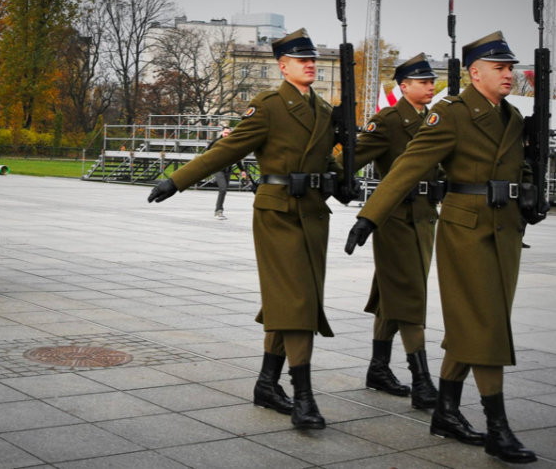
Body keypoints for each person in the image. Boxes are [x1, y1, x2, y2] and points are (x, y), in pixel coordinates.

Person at [345, 32, 549, 464]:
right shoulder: (451, 114)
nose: (510, 74)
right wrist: (370, 217)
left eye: (511, 68)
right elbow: (407, 166)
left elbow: (524, 165)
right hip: (467, 230)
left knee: (476, 323)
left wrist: (530, 192)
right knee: (488, 323)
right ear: (476, 73)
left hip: (506, 230)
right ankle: (498, 427)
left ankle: (447, 411)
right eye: (501, 68)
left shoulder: (511, 117)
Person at [149, 29, 354, 429]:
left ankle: (266, 383)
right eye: (301, 60)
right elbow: (227, 149)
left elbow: (326, 158)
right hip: (278, 215)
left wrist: (341, 178)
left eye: (313, 60)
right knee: (297, 303)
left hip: (313, 214)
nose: (310, 65)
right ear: (283, 66)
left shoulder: (325, 111)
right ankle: (304, 398)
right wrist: (177, 180)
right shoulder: (268, 106)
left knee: (291, 299)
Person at [336, 54, 440, 409]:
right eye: (423, 82)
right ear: (404, 86)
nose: (431, 87)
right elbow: (351, 159)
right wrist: (334, 180)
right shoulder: (389, 121)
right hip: (395, 220)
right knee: (410, 294)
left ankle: (378, 368)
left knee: (393, 292)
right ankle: (422, 380)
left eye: (432, 82)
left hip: (426, 218)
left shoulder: (433, 119)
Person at [208, 125, 247, 219]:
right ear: (221, 132)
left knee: (224, 191)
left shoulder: (232, 143)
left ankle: (219, 210)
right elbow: (207, 152)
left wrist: (242, 170)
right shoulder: (217, 142)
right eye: (225, 133)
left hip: (228, 170)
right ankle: (218, 211)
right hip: (218, 169)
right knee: (223, 188)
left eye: (229, 133)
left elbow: (236, 157)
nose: (227, 134)